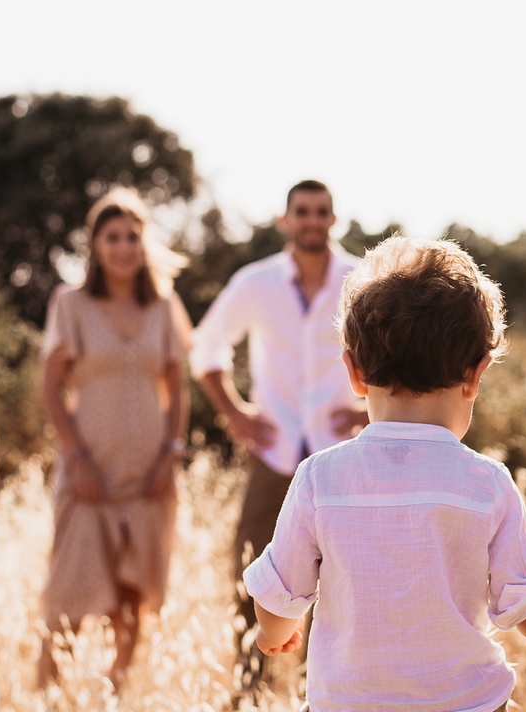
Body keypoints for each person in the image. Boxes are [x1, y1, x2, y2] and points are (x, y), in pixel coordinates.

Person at [243, 235, 526, 712]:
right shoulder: (487, 484)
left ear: (354, 373)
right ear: (475, 374)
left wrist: (274, 634)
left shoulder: (319, 479)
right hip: (467, 704)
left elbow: (278, 595)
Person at [188, 179, 369, 691]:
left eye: (322, 211)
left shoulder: (362, 277)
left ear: (334, 219)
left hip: (342, 455)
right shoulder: (256, 282)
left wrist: (366, 415)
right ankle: (252, 687)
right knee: (253, 563)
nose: (312, 220)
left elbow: (393, 351)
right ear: (286, 220)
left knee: (340, 572)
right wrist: (235, 414)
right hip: (275, 453)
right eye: (302, 211)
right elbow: (206, 349)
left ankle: (325, 688)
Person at [37, 188, 192, 692]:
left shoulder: (164, 305)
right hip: (91, 475)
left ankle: (114, 696)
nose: (124, 247)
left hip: (148, 475)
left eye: (132, 236)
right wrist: (78, 460)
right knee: (68, 599)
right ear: (96, 245)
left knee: (133, 597)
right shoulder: (71, 304)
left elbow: (176, 387)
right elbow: (50, 388)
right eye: (113, 237)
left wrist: (171, 457)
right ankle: (46, 699)